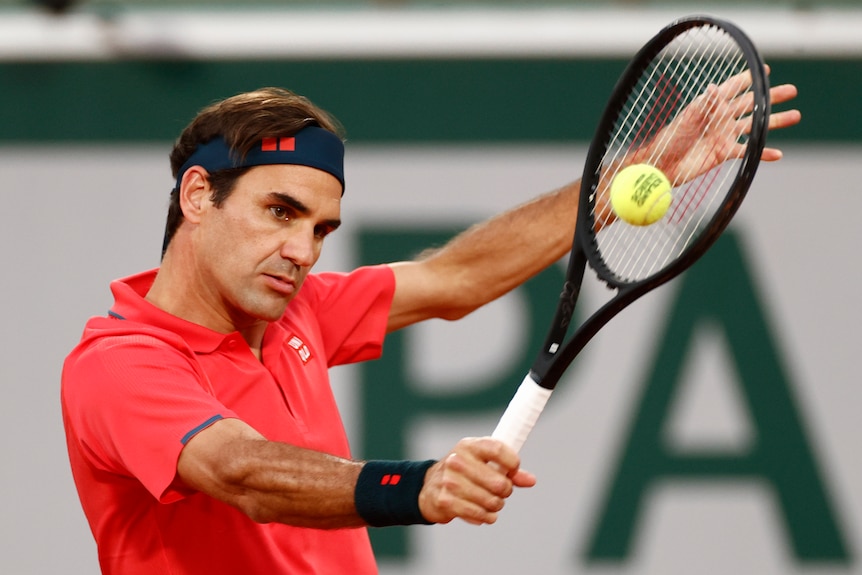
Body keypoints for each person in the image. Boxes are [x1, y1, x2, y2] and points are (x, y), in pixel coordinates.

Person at [61, 81, 800, 574]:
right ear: (198, 194)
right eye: (279, 211)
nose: (302, 250)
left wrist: (621, 179)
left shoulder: (299, 308)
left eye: (321, 228)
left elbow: (457, 277)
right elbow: (240, 471)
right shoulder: (119, 362)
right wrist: (419, 486)